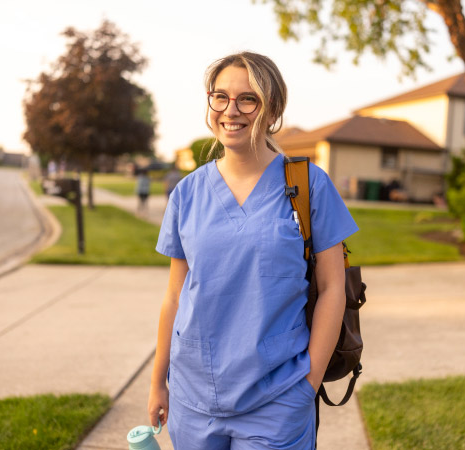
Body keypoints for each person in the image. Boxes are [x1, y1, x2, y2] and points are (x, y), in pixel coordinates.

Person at [148, 52, 358, 449]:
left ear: (273, 108)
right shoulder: (187, 194)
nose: (232, 110)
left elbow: (333, 289)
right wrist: (158, 381)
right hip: (194, 398)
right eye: (220, 96)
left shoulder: (309, 185)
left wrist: (307, 384)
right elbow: (175, 294)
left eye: (249, 99)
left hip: (277, 399)